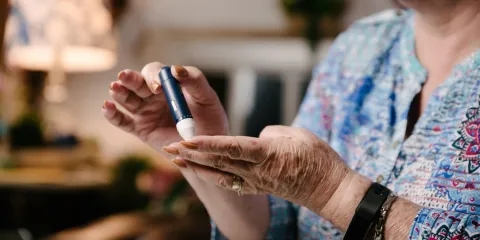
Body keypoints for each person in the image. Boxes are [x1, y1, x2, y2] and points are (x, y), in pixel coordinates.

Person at [103, 0, 480, 239]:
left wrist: (333, 192)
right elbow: (279, 227)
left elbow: (321, 191)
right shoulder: (361, 46)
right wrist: (198, 147)